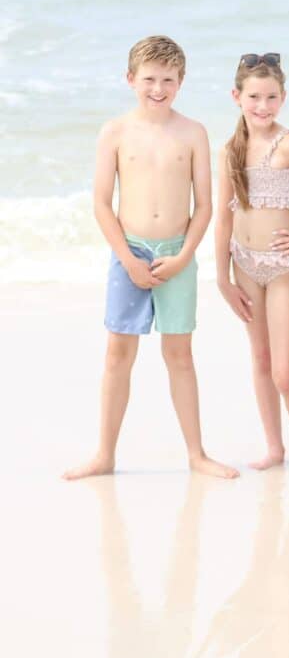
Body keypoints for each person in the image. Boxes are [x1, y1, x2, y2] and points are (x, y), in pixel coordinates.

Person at [64, 35, 238, 480]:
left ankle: (197, 454)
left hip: (176, 255)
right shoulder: (115, 132)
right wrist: (127, 258)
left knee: (179, 354)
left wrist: (183, 257)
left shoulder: (193, 132)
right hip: (130, 253)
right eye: (149, 79)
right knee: (118, 353)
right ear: (130, 79)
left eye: (168, 80)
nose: (158, 88)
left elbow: (204, 207)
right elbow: (103, 203)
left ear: (181, 82)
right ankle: (104, 454)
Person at [215, 53, 289, 470]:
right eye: (254, 97)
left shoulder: (288, 144)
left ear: (283, 98)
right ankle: (275, 447)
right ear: (237, 96)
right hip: (243, 266)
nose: (262, 106)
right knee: (261, 361)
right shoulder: (230, 150)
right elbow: (223, 215)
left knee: (284, 371)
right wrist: (221, 277)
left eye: (271, 97)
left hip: (283, 268)